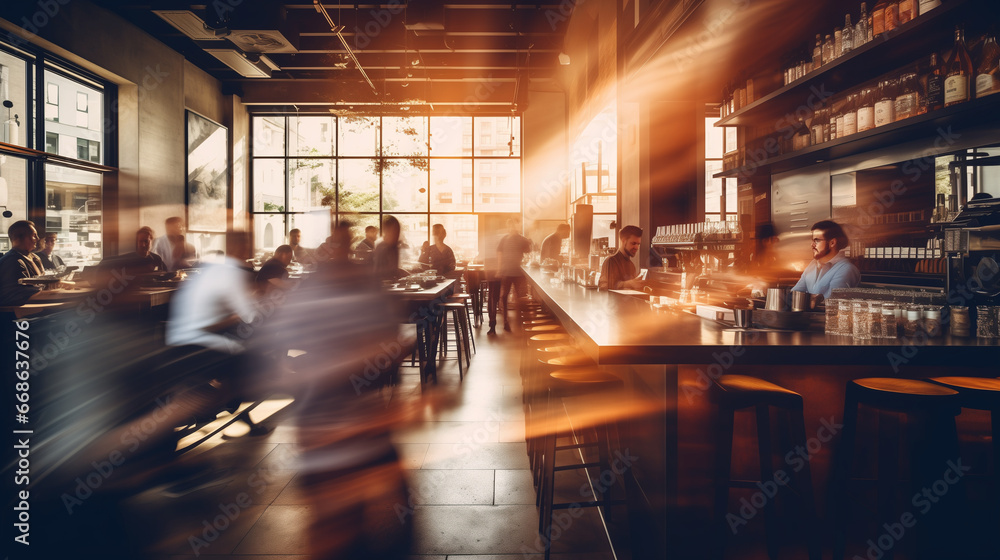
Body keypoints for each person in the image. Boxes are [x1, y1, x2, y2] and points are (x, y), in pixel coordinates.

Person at [791, 220, 860, 300]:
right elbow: (796, 293)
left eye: (816, 240)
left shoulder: (846, 269)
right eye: (812, 240)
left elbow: (832, 303)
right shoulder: (813, 265)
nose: (812, 245)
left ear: (832, 243)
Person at [492, 218, 532, 334]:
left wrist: (529, 243)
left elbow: (529, 252)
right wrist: (499, 269)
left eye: (514, 225)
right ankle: (505, 321)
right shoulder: (504, 239)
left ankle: (521, 321)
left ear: (517, 226)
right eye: (510, 225)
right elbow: (499, 253)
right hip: (507, 271)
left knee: (521, 297)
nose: (512, 228)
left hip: (520, 272)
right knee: (504, 296)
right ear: (508, 226)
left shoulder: (522, 239)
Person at [0, 220, 45, 306]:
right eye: (34, 235)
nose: (38, 238)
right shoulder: (12, 261)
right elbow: (17, 295)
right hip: (19, 315)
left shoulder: (35, 258)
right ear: (18, 238)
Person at [599, 225, 645, 291]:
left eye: (638, 244)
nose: (637, 247)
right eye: (633, 243)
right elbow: (605, 287)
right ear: (623, 241)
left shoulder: (631, 265)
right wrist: (629, 284)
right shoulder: (611, 261)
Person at [373, 216, 406, 280]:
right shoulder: (381, 247)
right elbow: (378, 272)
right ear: (386, 231)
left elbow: (394, 270)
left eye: (397, 231)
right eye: (394, 231)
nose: (397, 234)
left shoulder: (395, 247)